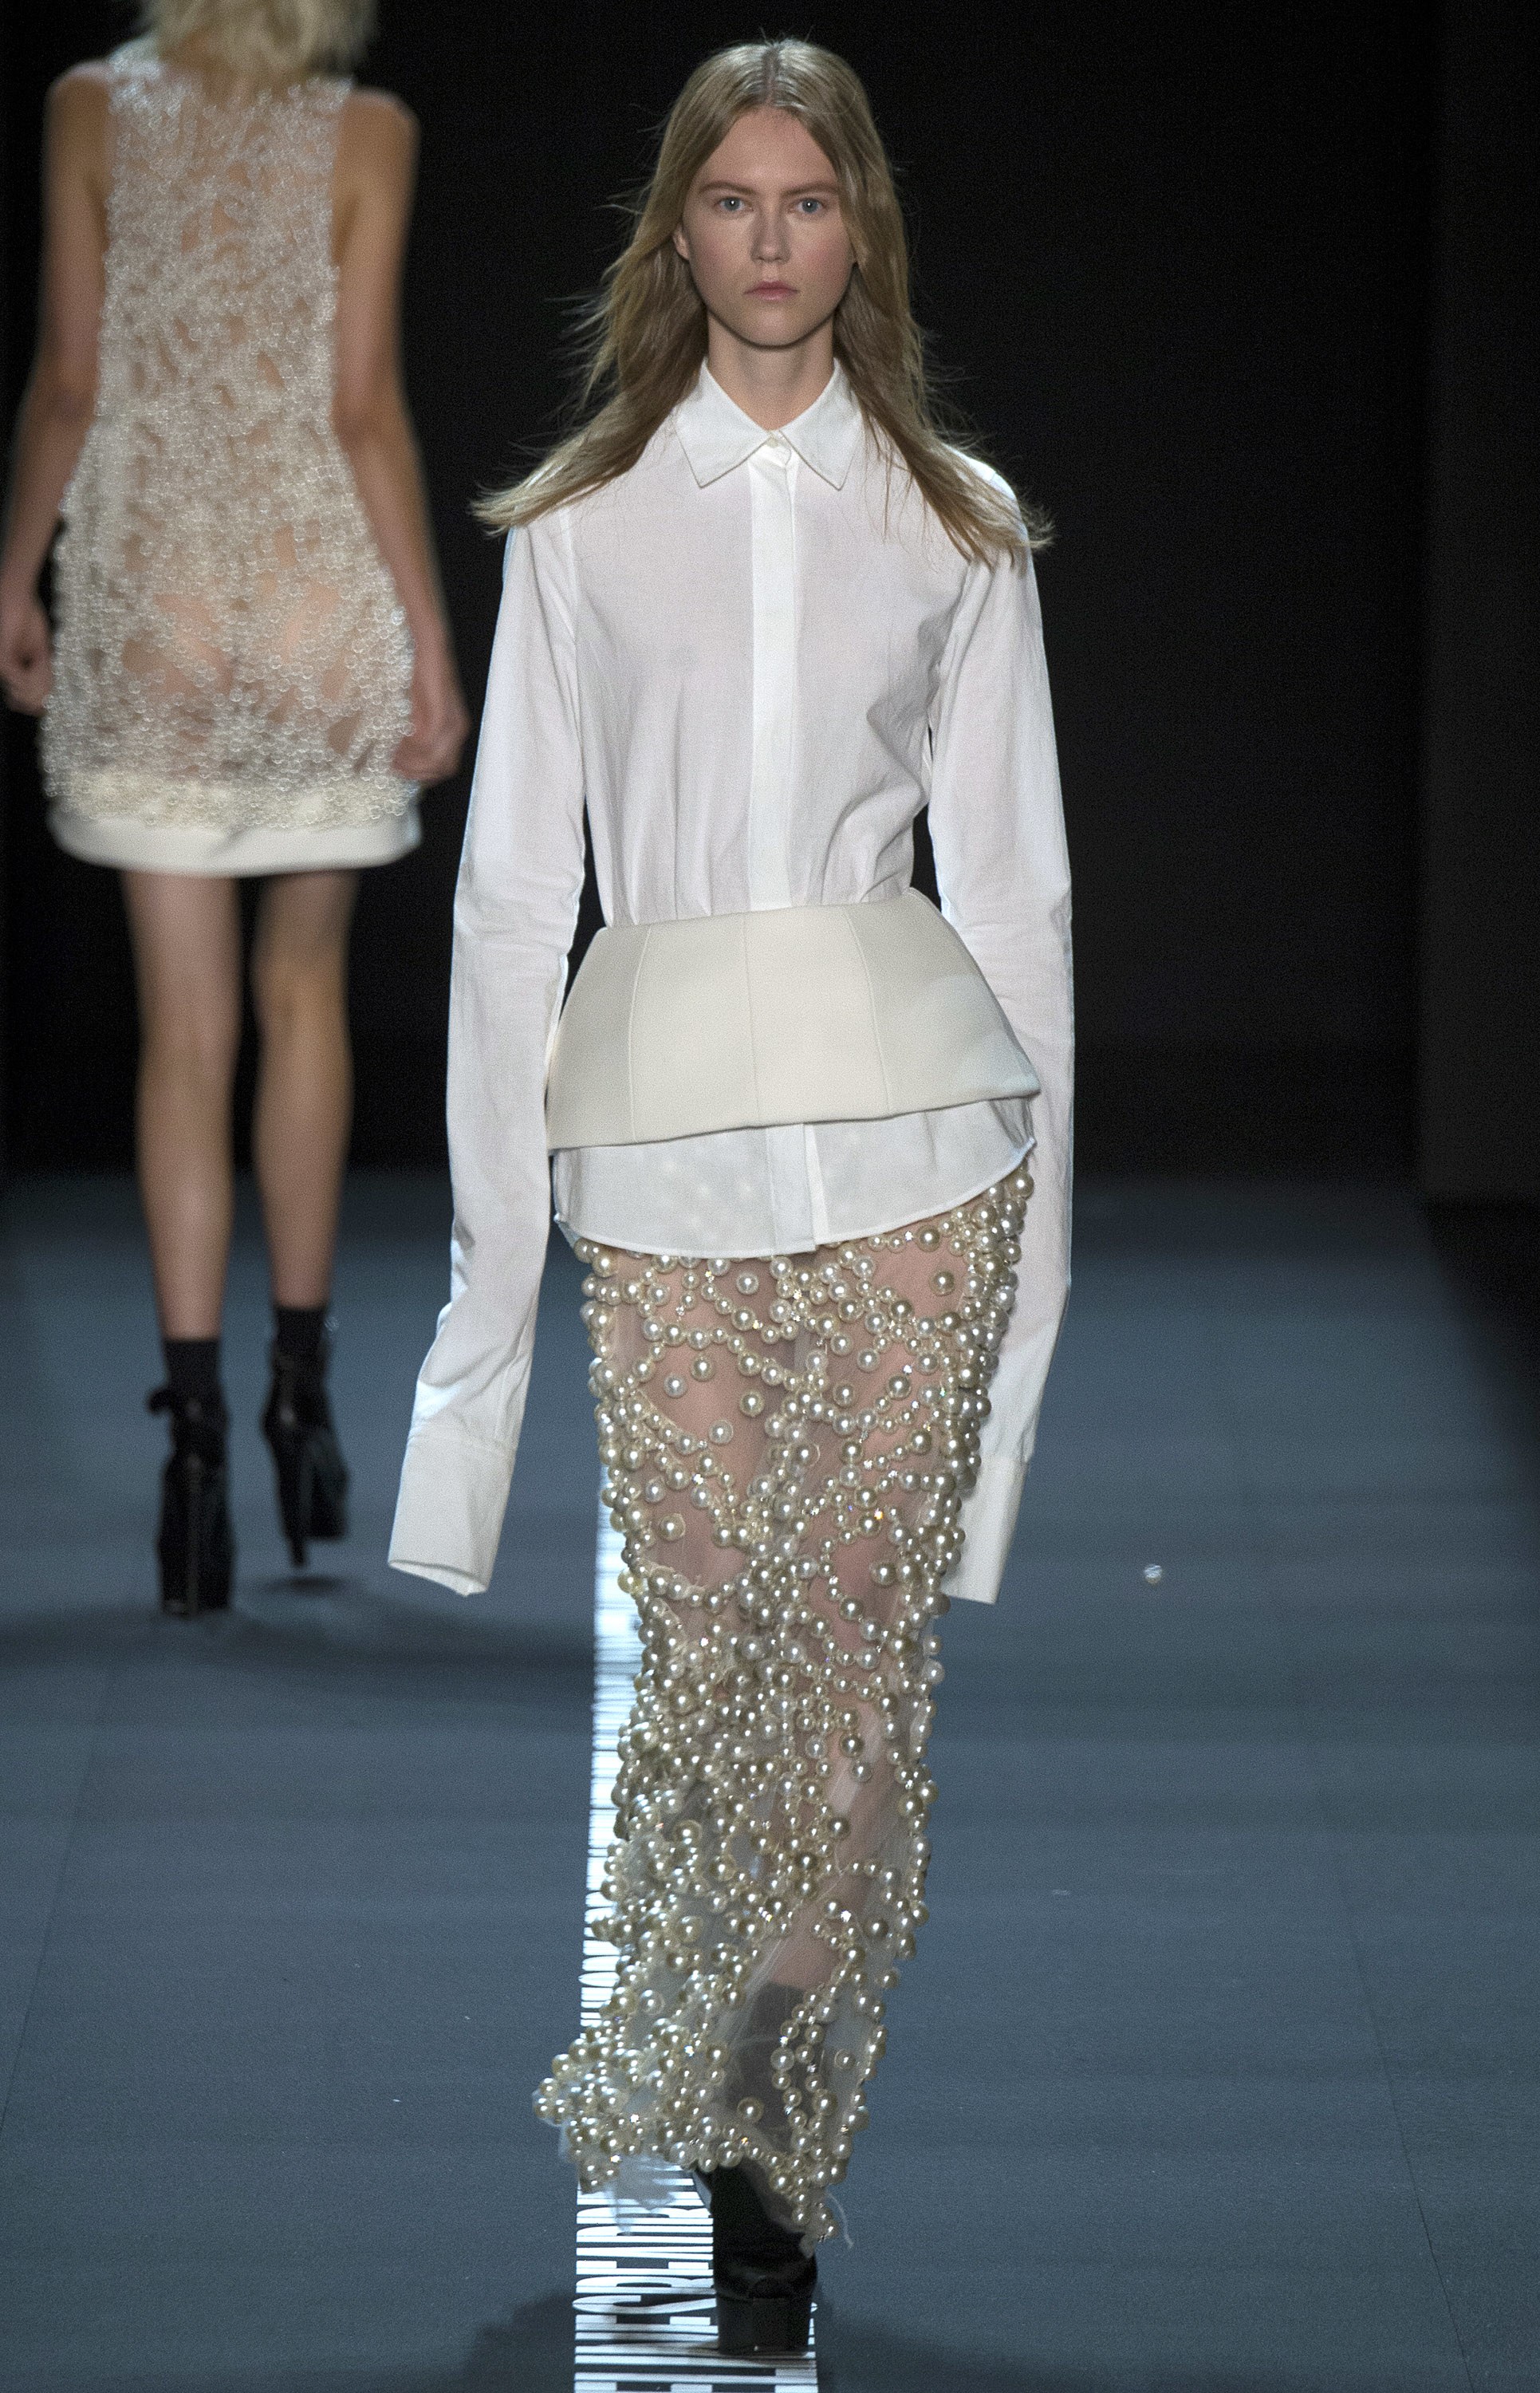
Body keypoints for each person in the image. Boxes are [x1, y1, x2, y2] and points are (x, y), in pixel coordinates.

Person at [389, 37, 1071, 2360]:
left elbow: (1020, 904)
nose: (770, 239)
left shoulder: (957, 525)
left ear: (859, 226)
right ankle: (756, 2067)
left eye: (809, 199)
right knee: (709, 1674)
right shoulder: (578, 528)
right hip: (664, 1158)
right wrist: (486, 1313)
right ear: (675, 231)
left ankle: (775, 2120)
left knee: (854, 1649)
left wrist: (1036, 1309)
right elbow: (512, 905)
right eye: (730, 199)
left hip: (914, 1152)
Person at [0, 0, 467, 1616]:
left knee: (185, 1037)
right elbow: (363, 408)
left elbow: (70, 381)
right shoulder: (370, 133)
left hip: (159, 616)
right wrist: (428, 641)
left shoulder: (88, 109)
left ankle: (192, 1456)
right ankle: (299, 1402)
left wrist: (13, 572)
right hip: (315, 614)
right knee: (303, 999)